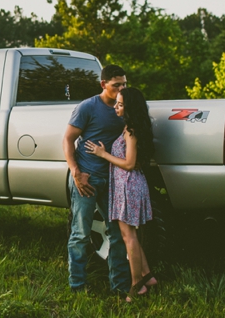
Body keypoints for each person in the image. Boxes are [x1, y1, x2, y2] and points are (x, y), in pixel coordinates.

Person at [85, 87, 158, 302]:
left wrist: (103, 153)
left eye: (120, 104)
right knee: (130, 235)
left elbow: (129, 163)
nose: (115, 107)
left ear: (130, 107)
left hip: (129, 184)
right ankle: (148, 277)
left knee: (130, 237)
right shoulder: (130, 127)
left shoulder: (131, 130)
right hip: (128, 184)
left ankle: (137, 286)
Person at [63, 64, 131, 294]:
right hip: (87, 179)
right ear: (103, 84)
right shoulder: (88, 107)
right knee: (81, 233)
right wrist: (76, 172)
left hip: (113, 180)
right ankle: (77, 285)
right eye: (116, 85)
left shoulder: (124, 108)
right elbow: (67, 139)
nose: (121, 88)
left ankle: (120, 288)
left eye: (124, 84)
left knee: (117, 234)